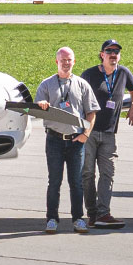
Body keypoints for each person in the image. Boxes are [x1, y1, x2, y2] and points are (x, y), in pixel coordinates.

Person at [34, 46, 100, 233]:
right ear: (57, 61)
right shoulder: (46, 85)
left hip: (75, 141)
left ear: (74, 61)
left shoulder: (82, 84)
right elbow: (38, 109)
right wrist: (41, 105)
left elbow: (91, 112)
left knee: (76, 182)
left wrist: (85, 135)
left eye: (69, 59)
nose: (66, 62)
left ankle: (78, 218)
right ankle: (52, 219)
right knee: (54, 181)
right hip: (54, 140)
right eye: (63, 59)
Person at [79, 41, 133, 229]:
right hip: (89, 132)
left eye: (116, 51)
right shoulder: (89, 74)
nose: (113, 54)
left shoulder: (123, 72)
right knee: (88, 173)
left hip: (109, 133)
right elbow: (78, 95)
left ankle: (104, 213)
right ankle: (92, 213)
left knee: (108, 173)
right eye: (109, 51)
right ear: (101, 55)